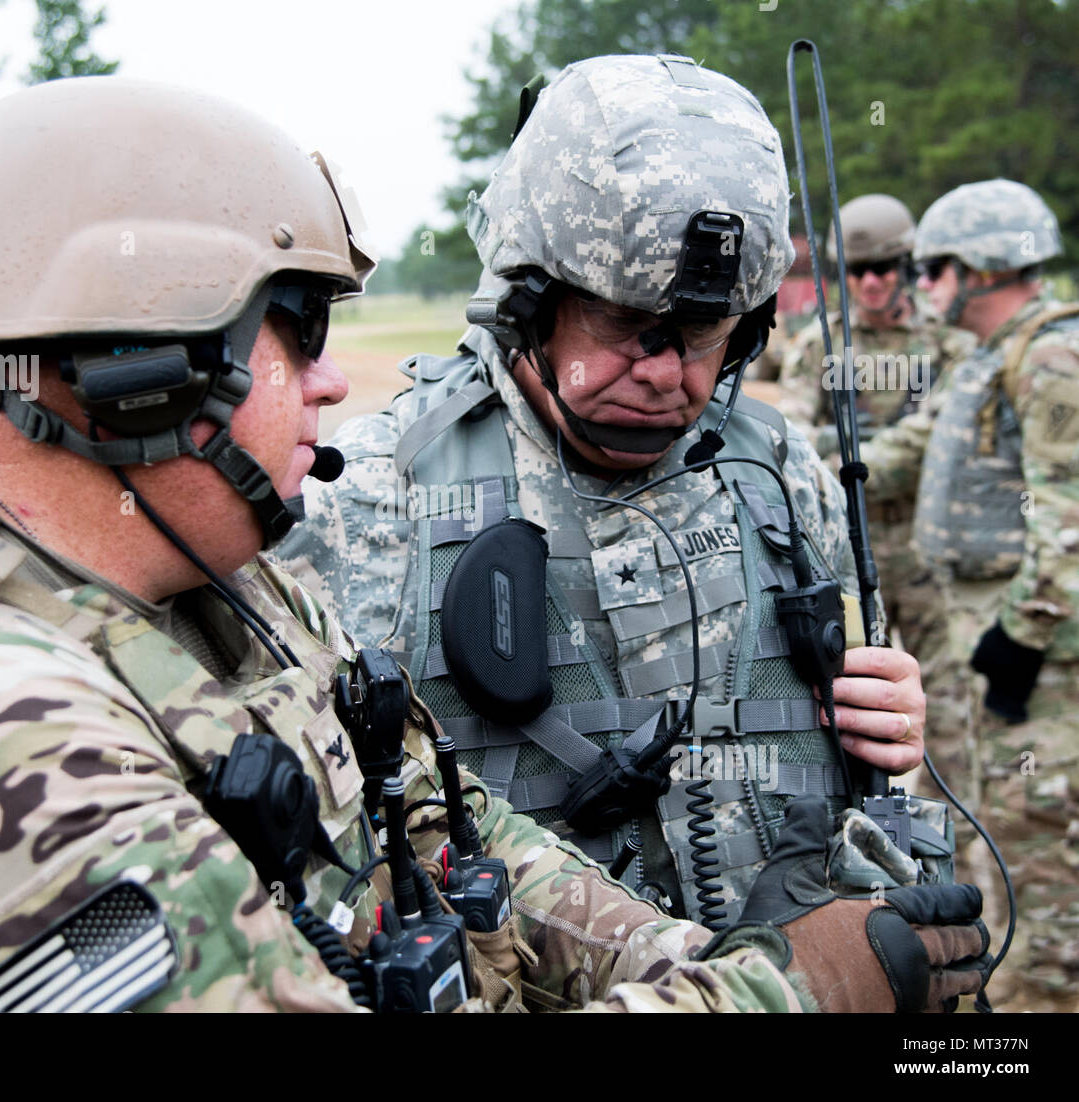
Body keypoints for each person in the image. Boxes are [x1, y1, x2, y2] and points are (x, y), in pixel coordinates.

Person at [0, 75, 990, 1015]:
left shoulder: (225, 597)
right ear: (137, 367)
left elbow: (440, 834)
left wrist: (692, 956)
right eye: (296, 333)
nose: (332, 382)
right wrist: (789, 989)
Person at [275, 55, 953, 934]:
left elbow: (869, 731)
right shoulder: (367, 502)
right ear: (528, 302)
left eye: (703, 332)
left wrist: (891, 718)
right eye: (628, 325)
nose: (667, 372)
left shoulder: (782, 478)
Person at [860, 178, 1079, 1012]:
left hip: (1040, 656)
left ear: (983, 269)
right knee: (1001, 821)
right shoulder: (993, 355)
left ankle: (1042, 996)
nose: (919, 286)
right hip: (992, 630)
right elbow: (907, 448)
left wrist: (1024, 638)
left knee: (1040, 834)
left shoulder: (1051, 356)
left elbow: (1069, 514)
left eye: (934, 268)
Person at [779, 195, 971, 662]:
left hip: (930, 544)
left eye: (883, 267)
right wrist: (824, 447)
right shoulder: (820, 345)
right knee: (862, 684)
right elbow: (790, 441)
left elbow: (934, 440)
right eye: (857, 268)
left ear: (905, 265)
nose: (870, 281)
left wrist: (843, 456)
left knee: (950, 694)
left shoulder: (949, 344)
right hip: (849, 543)